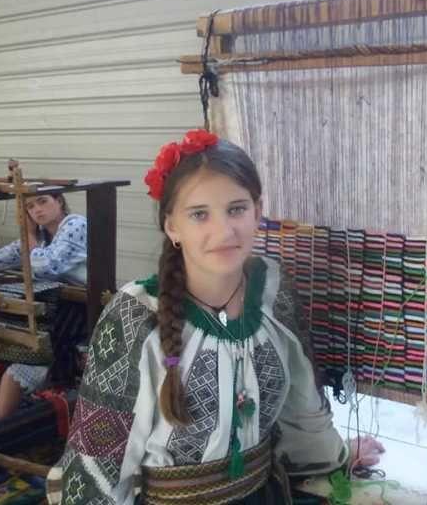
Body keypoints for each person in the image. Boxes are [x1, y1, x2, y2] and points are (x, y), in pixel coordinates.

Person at [46, 129, 383, 504]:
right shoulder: (135, 314)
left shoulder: (272, 288)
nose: (223, 231)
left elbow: (301, 403)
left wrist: (336, 455)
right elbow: (99, 460)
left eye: (236, 209)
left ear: (257, 212)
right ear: (172, 226)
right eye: (199, 214)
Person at [0, 193, 87, 423]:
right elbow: (1, 257)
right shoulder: (40, 237)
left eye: (43, 201)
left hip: (79, 314)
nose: (37, 210)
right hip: (54, 311)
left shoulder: (75, 225)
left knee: (13, 375)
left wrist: (28, 234)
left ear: (59, 201)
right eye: (30, 206)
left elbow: (47, 266)